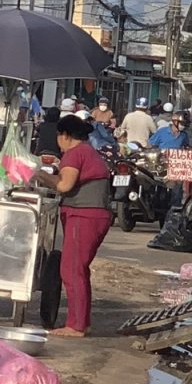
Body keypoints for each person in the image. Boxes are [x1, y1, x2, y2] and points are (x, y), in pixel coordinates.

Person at [44, 113, 115, 338]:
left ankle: (76, 325)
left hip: (85, 215)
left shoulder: (75, 154)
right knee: (78, 269)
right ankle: (81, 322)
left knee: (72, 269)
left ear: (65, 136)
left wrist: (39, 176)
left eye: (58, 136)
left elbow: (64, 185)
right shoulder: (86, 152)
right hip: (91, 214)